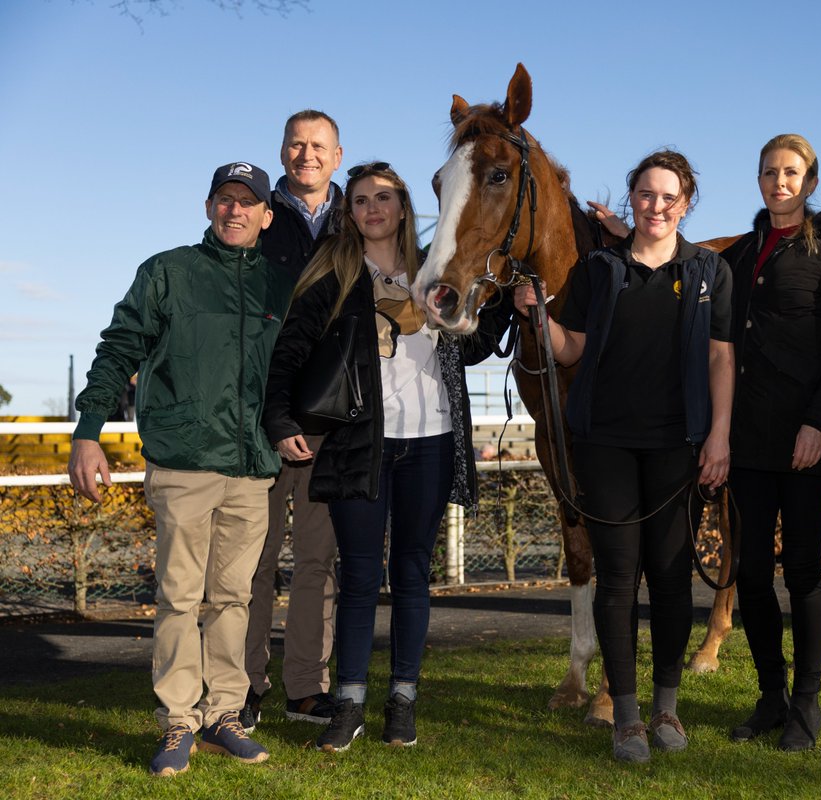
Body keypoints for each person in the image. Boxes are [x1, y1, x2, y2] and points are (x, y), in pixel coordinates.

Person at [262, 162, 512, 752]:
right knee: (357, 580)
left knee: (411, 576)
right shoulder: (334, 271)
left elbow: (471, 343)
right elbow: (291, 348)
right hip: (359, 442)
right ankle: (347, 703)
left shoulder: (437, 268)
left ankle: (403, 700)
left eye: (383, 198)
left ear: (403, 206)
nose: (372, 209)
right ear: (349, 214)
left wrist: (507, 304)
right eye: (360, 201)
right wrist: (279, 418)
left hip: (430, 441)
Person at [68, 162, 290, 777]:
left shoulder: (280, 287)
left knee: (234, 599)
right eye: (225, 199)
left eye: (248, 203)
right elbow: (118, 348)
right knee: (178, 598)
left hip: (252, 470)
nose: (235, 211)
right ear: (209, 206)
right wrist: (88, 432)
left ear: (267, 216)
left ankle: (224, 716)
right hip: (184, 465)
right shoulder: (167, 272)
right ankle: (177, 722)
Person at [514, 150, 735, 763]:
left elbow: (722, 359)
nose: (656, 205)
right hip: (605, 445)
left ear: (685, 202)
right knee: (616, 580)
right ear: (632, 200)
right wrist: (540, 320)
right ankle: (627, 716)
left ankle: (668, 705)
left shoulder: (709, 272)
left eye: (669, 196)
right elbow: (569, 349)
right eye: (646, 194)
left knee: (668, 579)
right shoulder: (597, 271)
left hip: (679, 445)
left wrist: (719, 435)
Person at [720, 134, 821, 751]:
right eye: (768, 172)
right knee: (752, 573)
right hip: (747, 439)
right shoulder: (738, 255)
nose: (778, 182)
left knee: (803, 570)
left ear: (810, 182)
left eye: (790, 173)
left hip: (807, 435)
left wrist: (818, 422)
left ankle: (808, 704)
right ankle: (770, 697)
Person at [242, 109, 344, 733]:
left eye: (318, 146)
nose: (306, 154)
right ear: (282, 151)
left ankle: (306, 687)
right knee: (249, 564)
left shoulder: (358, 221)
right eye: (296, 144)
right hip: (256, 419)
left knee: (316, 562)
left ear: (337, 155)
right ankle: (242, 684)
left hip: (329, 421)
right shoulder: (258, 217)